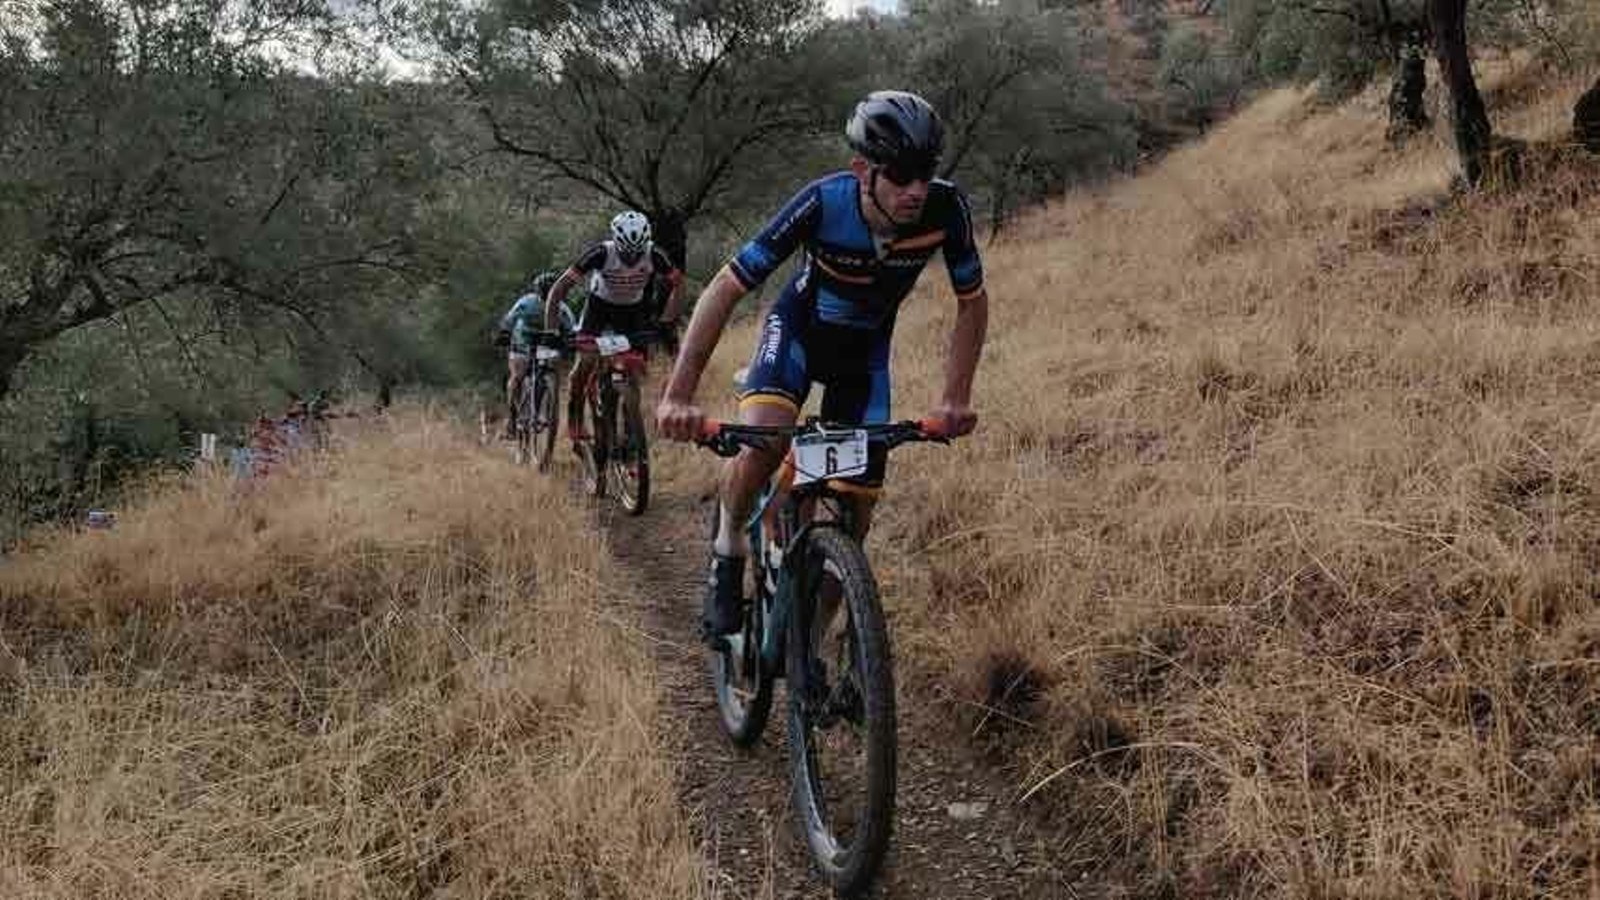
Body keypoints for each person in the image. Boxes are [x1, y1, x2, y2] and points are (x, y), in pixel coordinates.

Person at [655, 90, 989, 645]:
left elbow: (972, 300)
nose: (916, 190)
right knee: (761, 445)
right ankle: (729, 546)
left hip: (863, 358)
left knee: (854, 515)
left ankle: (808, 650)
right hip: (798, 335)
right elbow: (727, 286)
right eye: (901, 174)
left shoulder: (945, 210)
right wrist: (678, 394)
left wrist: (955, 397)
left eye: (926, 173)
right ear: (863, 169)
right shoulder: (822, 202)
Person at [543, 211, 686, 453]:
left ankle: (629, 428)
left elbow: (679, 285)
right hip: (599, 308)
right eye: (626, 252)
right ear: (616, 242)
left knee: (634, 367)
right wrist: (551, 331)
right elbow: (558, 290)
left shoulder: (654, 254)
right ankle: (575, 413)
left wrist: (666, 322)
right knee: (585, 361)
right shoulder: (601, 253)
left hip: (632, 311)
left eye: (637, 252)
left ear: (646, 244)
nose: (632, 258)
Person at [495, 269, 576, 440]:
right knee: (518, 375)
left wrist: (572, 341)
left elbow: (571, 329)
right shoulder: (526, 302)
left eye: (551, 294)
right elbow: (510, 319)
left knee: (550, 367)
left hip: (547, 339)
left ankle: (544, 402)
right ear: (537, 293)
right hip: (523, 338)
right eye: (544, 294)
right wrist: (504, 333)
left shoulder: (562, 308)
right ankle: (512, 418)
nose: (548, 299)